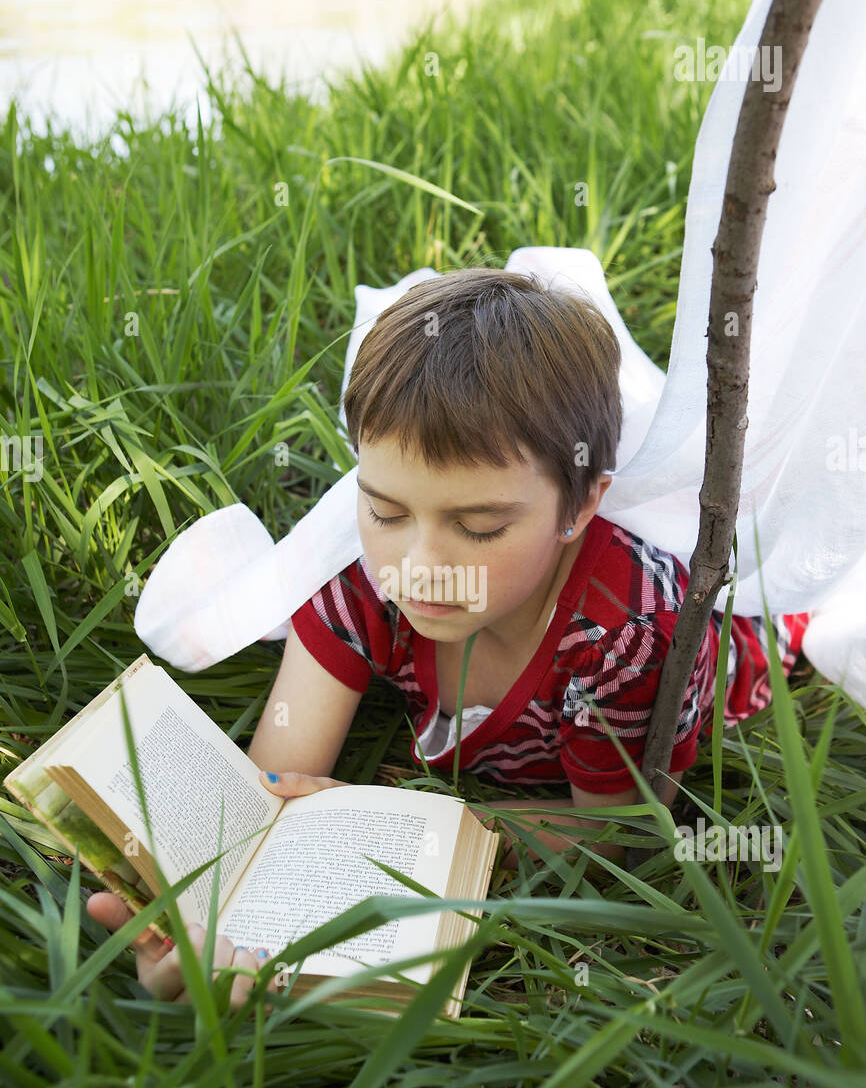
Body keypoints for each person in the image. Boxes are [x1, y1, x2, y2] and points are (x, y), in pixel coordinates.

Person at [87, 268, 810, 1009]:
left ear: (582, 503)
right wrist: (202, 922)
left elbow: (615, 834)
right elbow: (273, 788)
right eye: (387, 511)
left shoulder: (627, 637)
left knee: (794, 614)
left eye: (479, 526)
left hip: (745, 644)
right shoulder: (361, 577)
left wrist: (395, 827)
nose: (419, 569)